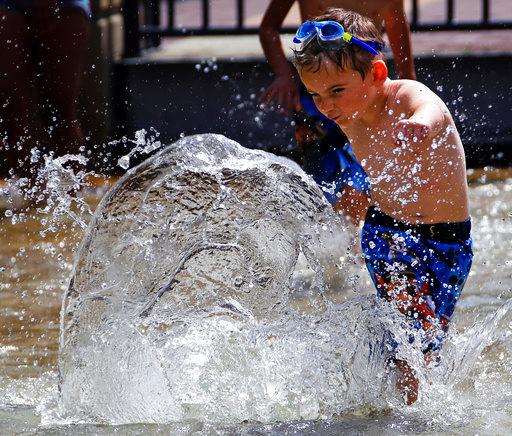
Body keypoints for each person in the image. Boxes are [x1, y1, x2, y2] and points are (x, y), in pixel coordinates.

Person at [292, 9, 473, 404]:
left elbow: (433, 110)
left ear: (376, 74)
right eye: (315, 95)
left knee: (425, 339)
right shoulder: (347, 111)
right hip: (385, 233)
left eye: (336, 90)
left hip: (446, 241)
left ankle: (401, 397)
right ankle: (401, 411)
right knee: (408, 332)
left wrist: (420, 125)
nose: (325, 105)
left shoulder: (406, 95)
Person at [259, 0, 416, 222]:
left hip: (363, 98)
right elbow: (268, 28)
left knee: (359, 186)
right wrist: (284, 75)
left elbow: (398, 32)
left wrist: (409, 91)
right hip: (319, 100)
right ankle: (336, 246)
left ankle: (354, 249)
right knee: (320, 188)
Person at [0, 0, 90, 195]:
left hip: (66, 3)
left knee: (61, 113)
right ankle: (33, 195)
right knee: (11, 113)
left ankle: (72, 196)